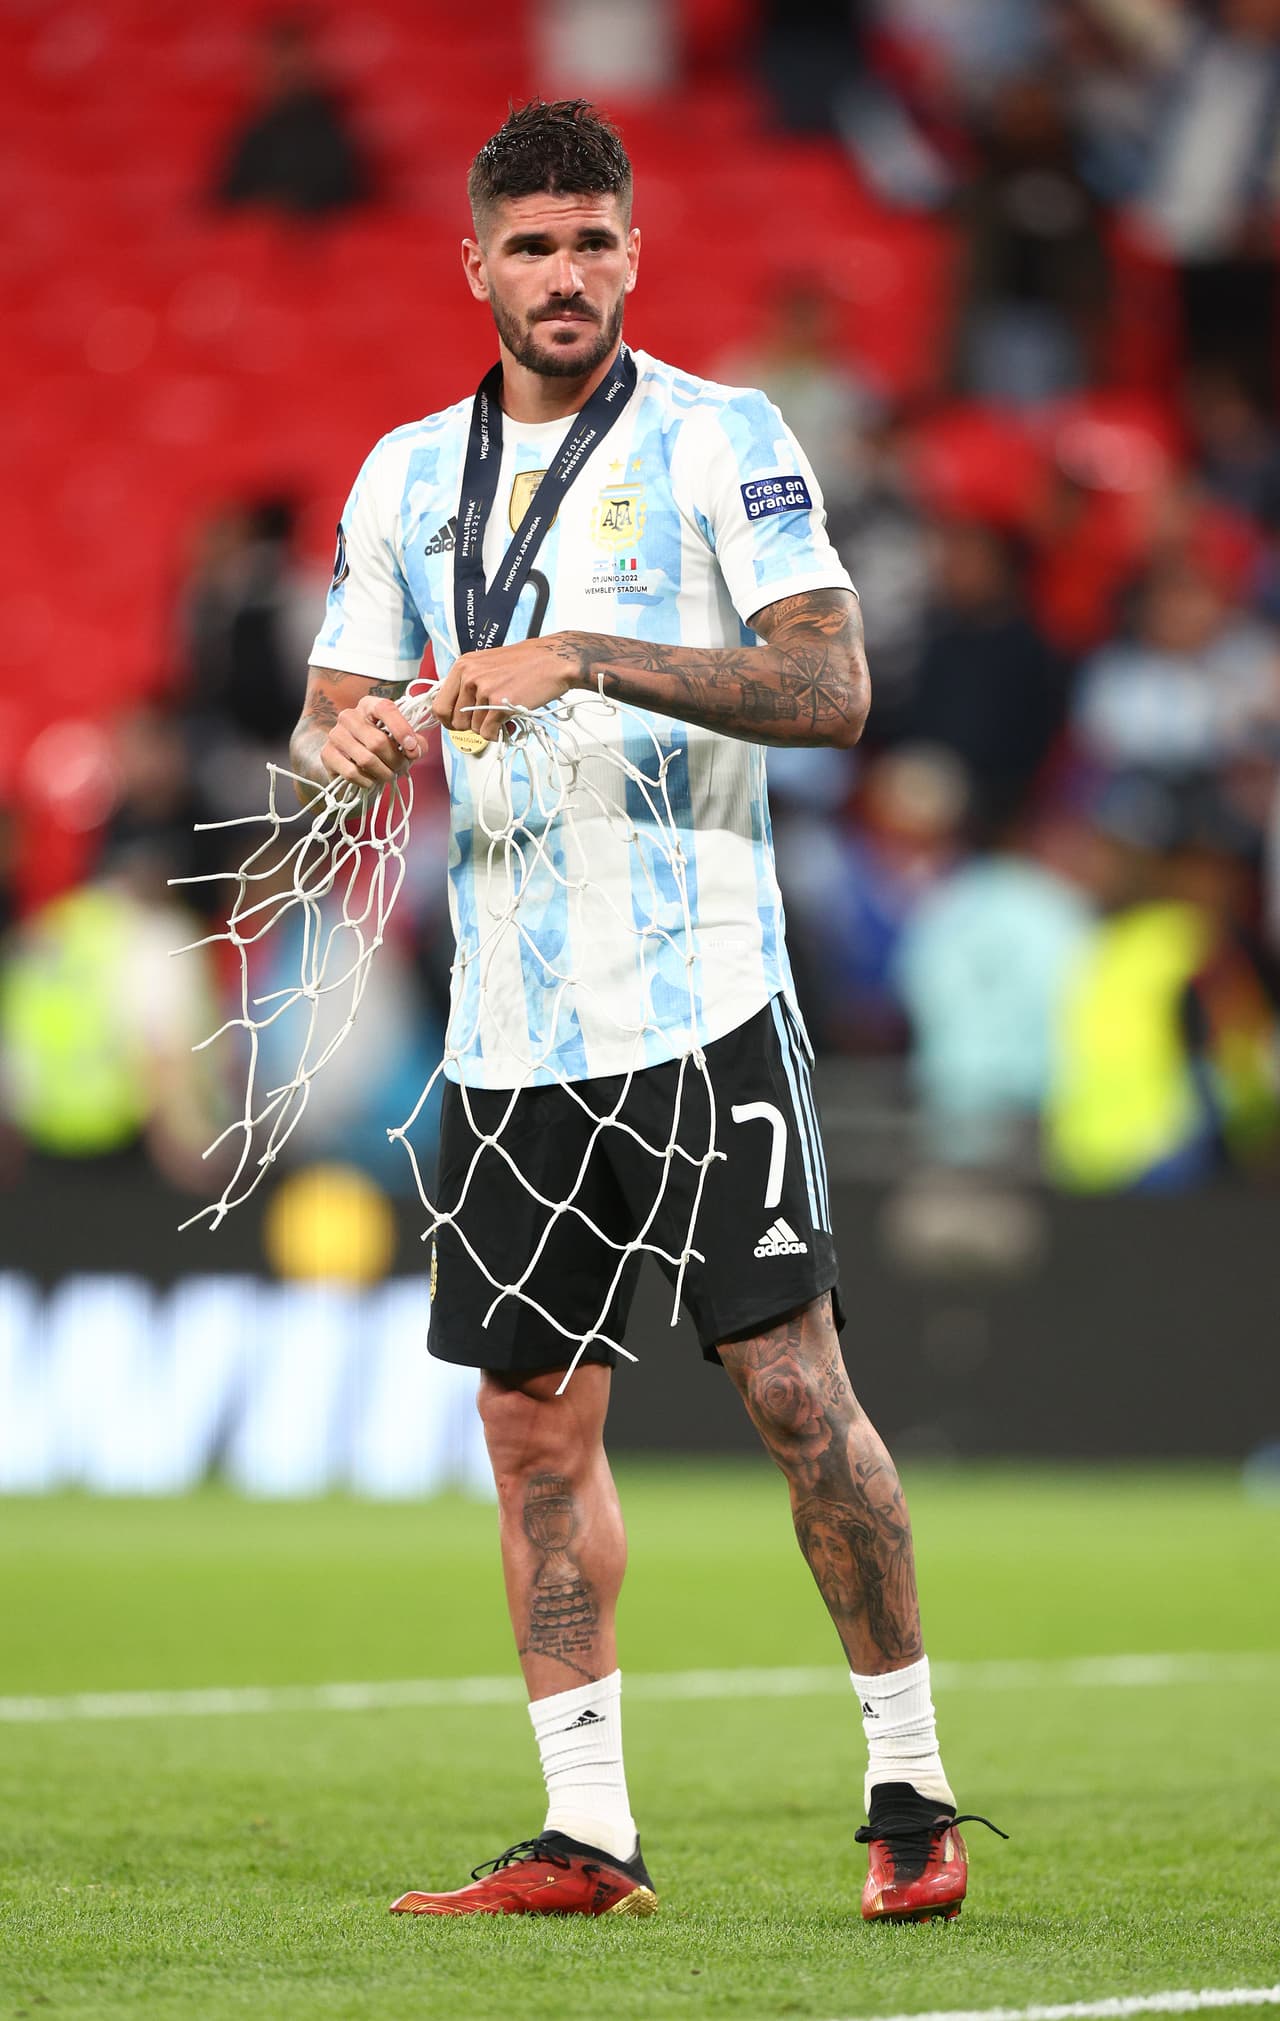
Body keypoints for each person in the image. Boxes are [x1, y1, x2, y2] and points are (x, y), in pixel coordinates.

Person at [290, 99, 1000, 1923]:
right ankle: (588, 1834)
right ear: (476, 266)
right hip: (506, 1036)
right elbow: (327, 720)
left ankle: (909, 1788)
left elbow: (833, 683)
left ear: (635, 251)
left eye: (595, 241)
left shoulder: (721, 438)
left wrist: (590, 652)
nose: (567, 275)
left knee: (790, 1384)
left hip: (700, 1004)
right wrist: (355, 740)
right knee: (531, 1425)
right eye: (531, 247)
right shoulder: (397, 478)